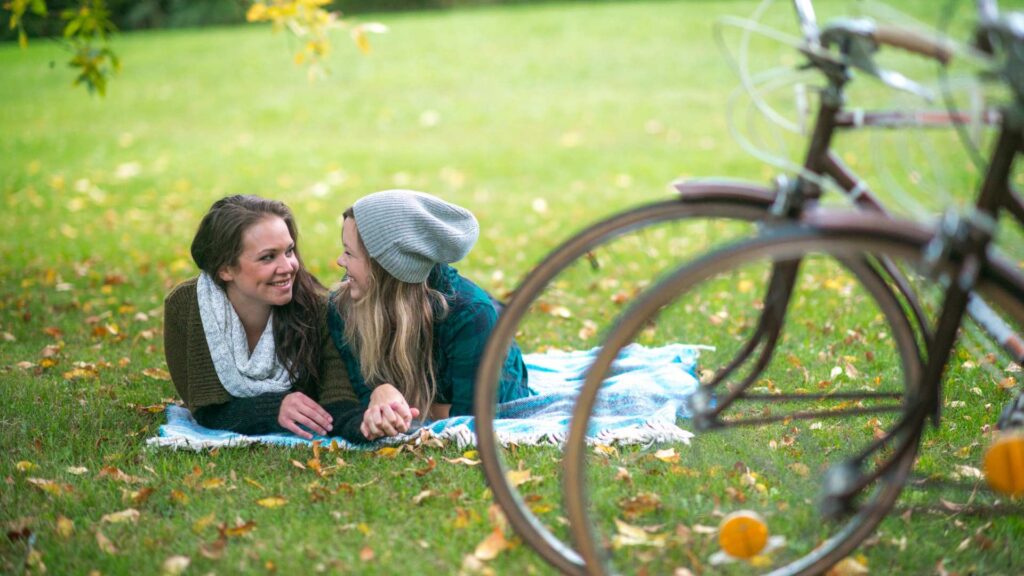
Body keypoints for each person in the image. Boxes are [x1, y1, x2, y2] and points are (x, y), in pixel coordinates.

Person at [163, 195, 371, 443]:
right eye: (268, 257)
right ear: (225, 269)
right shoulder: (186, 307)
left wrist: (366, 426)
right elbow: (206, 410)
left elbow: (338, 400)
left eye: (289, 251)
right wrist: (275, 409)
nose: (288, 267)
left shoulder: (317, 307)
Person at [328, 189, 532, 441]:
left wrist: (416, 406)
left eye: (349, 253)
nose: (339, 261)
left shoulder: (471, 318)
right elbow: (358, 389)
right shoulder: (347, 303)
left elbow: (471, 420)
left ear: (385, 268)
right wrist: (379, 390)